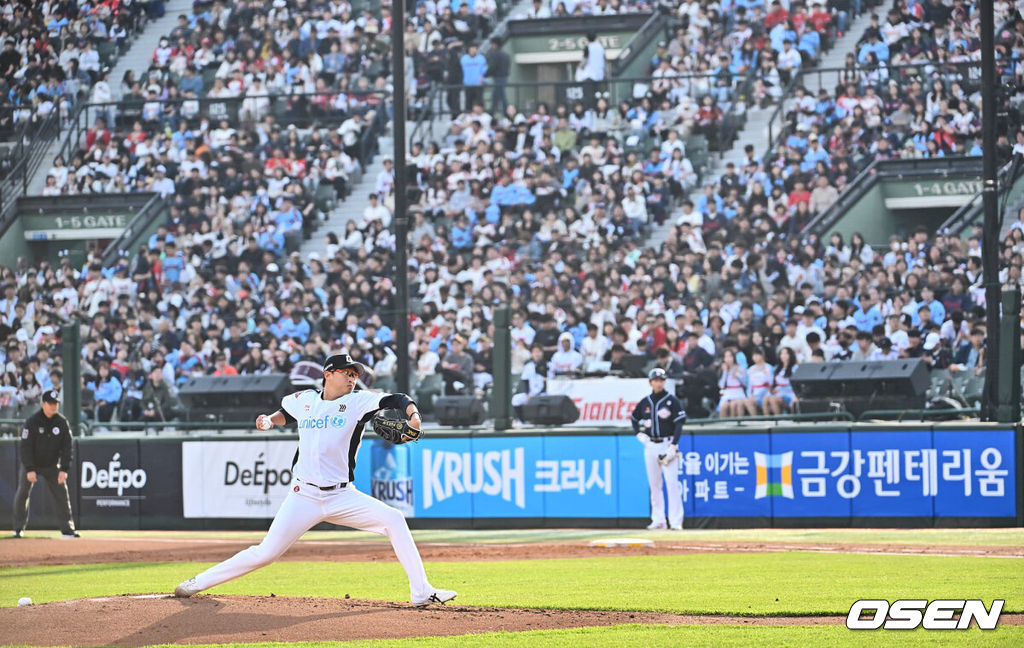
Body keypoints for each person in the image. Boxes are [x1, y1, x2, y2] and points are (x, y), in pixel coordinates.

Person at [174, 354, 456, 606]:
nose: (352, 378)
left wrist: (414, 417)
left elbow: (397, 399)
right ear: (328, 374)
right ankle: (198, 582)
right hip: (303, 496)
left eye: (355, 374)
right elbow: (286, 414)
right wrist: (270, 421)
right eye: (347, 372)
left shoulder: (358, 402)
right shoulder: (304, 400)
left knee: (394, 519)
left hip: (342, 496)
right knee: (266, 553)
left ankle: (421, 591)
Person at [12, 390, 79, 538]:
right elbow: (25, 447)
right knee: (23, 493)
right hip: (33, 464)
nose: (54, 407)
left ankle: (68, 530)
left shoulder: (62, 422)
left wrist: (64, 469)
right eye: (50, 404)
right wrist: (29, 469)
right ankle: (18, 529)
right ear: (43, 404)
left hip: (51, 465)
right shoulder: (32, 422)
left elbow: (67, 447)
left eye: (56, 404)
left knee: (62, 494)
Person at [630, 368, 685, 530]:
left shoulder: (672, 400)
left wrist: (674, 445)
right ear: (650, 382)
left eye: (661, 380)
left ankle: (675, 522)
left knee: (672, 484)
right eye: (656, 380)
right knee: (654, 485)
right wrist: (638, 434)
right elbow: (634, 418)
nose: (659, 383)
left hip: (667, 444)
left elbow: (679, 424)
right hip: (651, 445)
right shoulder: (645, 402)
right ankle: (658, 519)